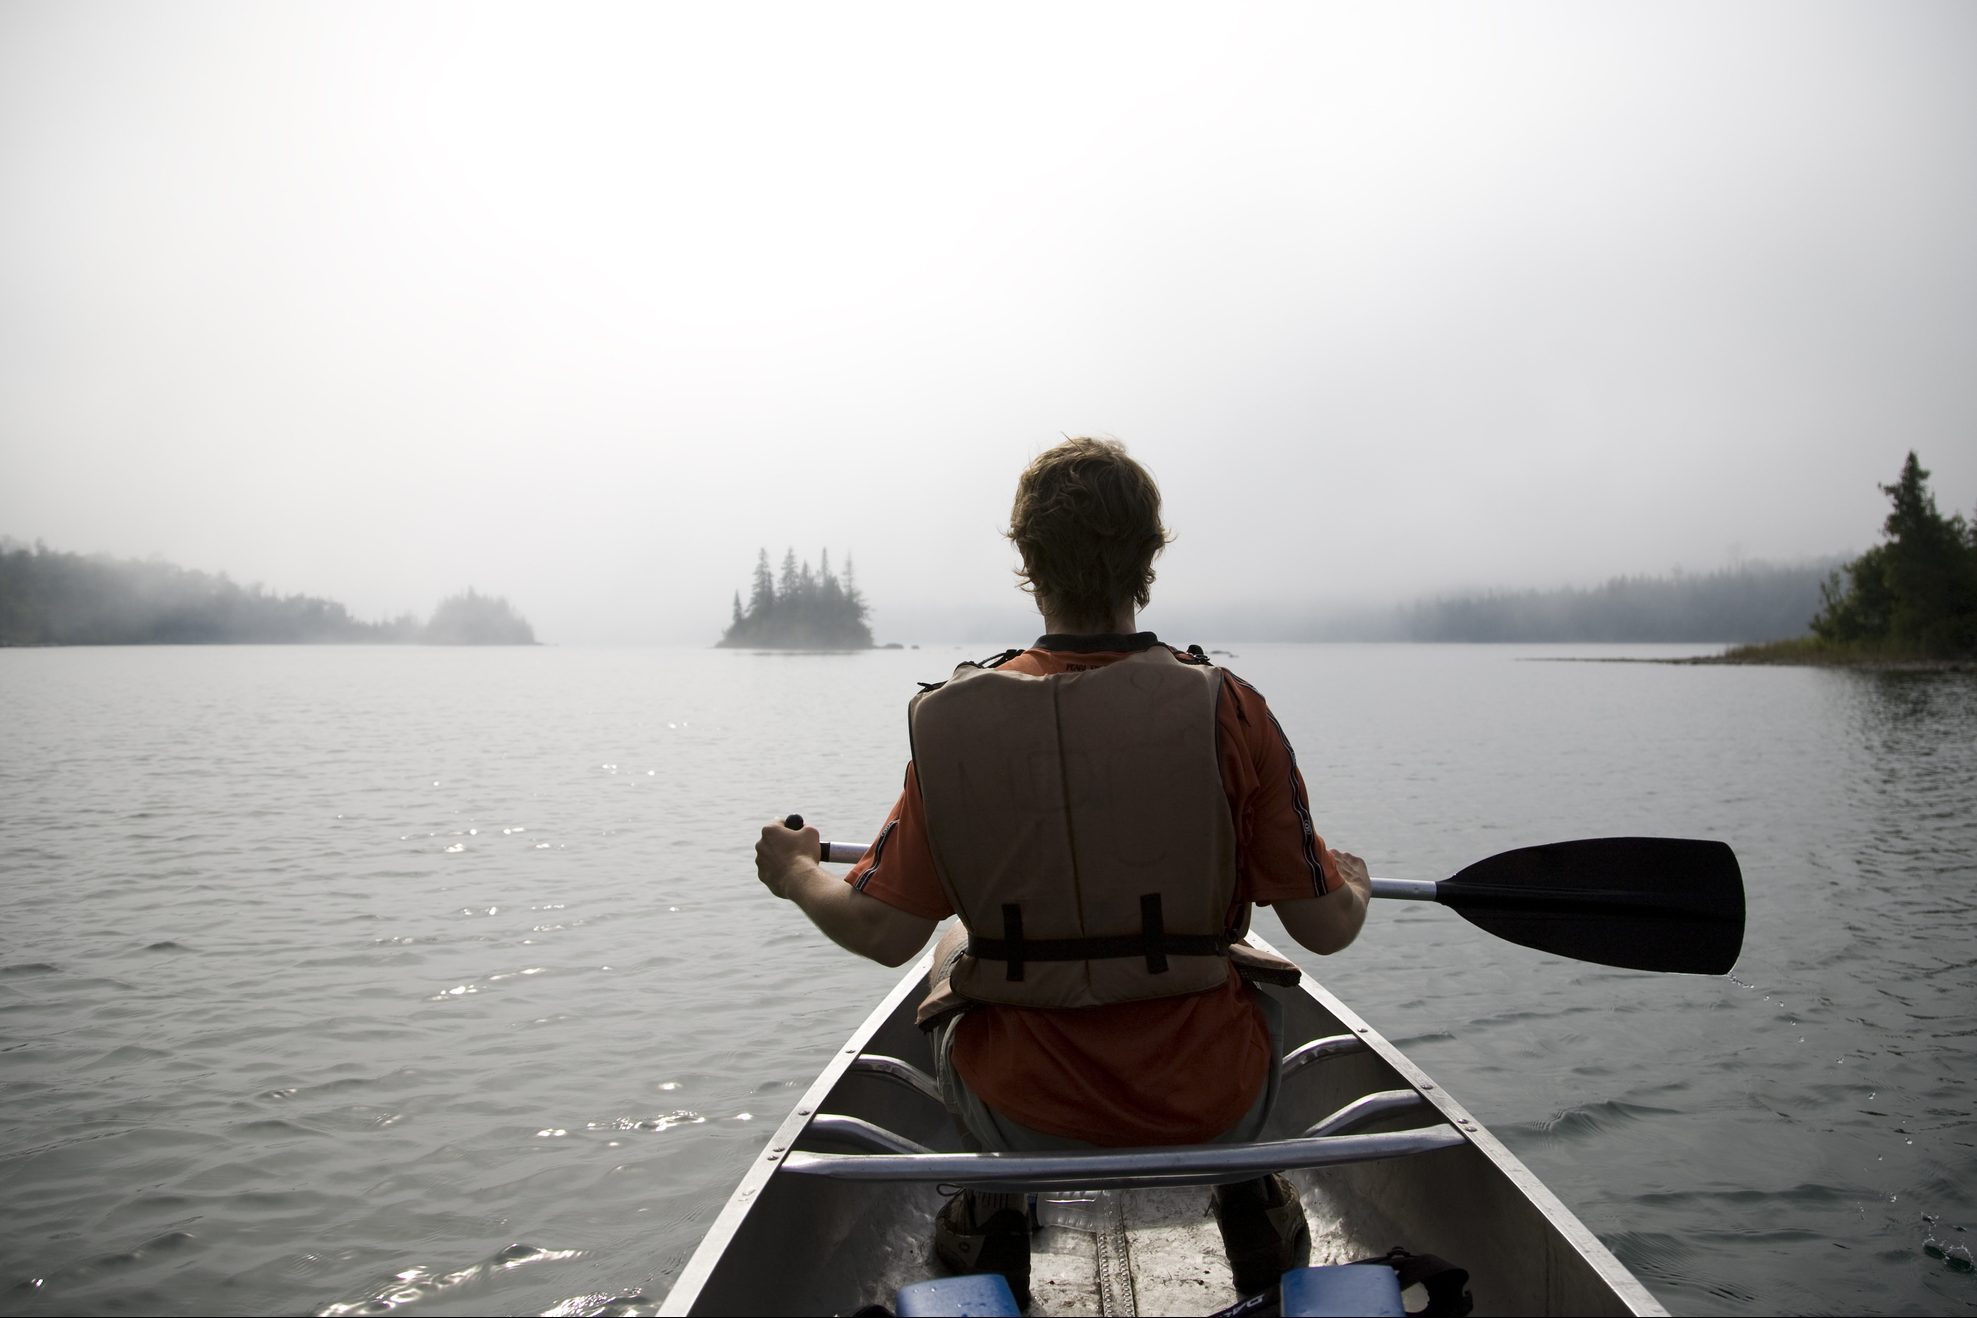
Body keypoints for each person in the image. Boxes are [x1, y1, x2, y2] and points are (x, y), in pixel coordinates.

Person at [754, 437, 1372, 1308]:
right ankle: (1251, 1198)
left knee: (958, 937)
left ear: (1025, 560)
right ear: (1148, 558)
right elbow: (1321, 928)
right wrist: (1355, 885)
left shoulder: (950, 721)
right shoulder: (1230, 708)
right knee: (1249, 959)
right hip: (1214, 1105)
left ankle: (992, 1208)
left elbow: (881, 931)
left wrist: (793, 873)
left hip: (1021, 1113)